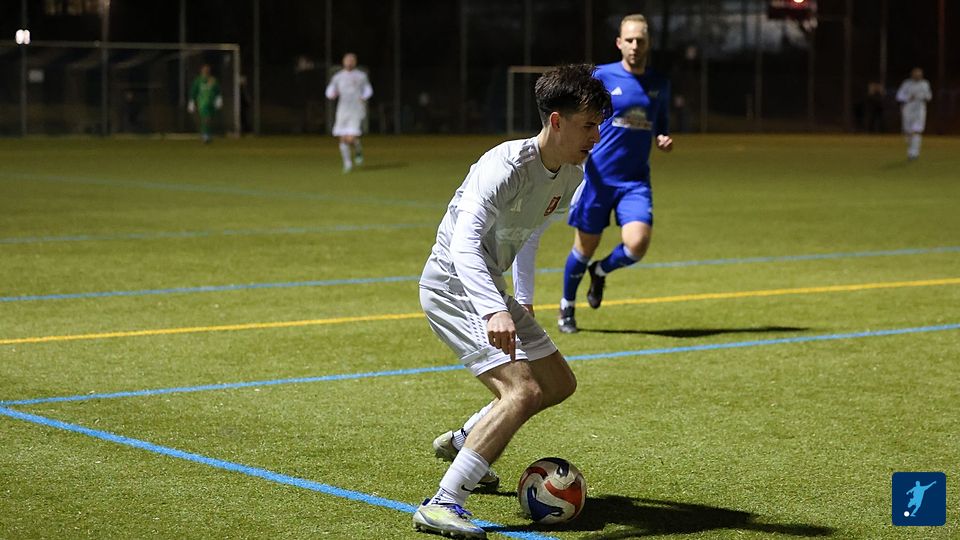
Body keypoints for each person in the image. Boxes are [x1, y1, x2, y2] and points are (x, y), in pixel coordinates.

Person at [412, 64, 611, 539]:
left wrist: (521, 299)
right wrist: (493, 309)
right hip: (452, 284)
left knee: (558, 383)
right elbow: (463, 244)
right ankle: (443, 502)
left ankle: (467, 441)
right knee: (522, 392)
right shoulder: (504, 166)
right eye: (588, 124)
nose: (596, 135)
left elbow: (529, 234)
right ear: (556, 121)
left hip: (491, 287)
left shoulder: (569, 174)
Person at [557, 14, 673, 334]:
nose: (635, 45)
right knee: (584, 248)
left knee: (637, 245)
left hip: (635, 182)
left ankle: (601, 272)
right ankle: (567, 306)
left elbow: (660, 123)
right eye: (629, 40)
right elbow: (578, 113)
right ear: (619, 43)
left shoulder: (659, 83)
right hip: (597, 179)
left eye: (640, 40)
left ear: (648, 44)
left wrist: (663, 137)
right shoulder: (602, 76)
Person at [325, 53, 373, 173]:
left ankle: (357, 148)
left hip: (356, 110)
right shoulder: (338, 76)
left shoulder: (361, 76)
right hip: (342, 110)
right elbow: (330, 89)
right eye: (347, 60)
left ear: (355, 62)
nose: (349, 62)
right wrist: (331, 94)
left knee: (350, 138)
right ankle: (347, 164)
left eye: (352, 60)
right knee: (342, 138)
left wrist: (364, 96)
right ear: (343, 62)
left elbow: (368, 89)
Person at [895, 67, 932, 161]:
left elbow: (929, 96)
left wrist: (923, 97)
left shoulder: (925, 84)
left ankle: (913, 153)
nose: (918, 76)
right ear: (912, 75)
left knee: (916, 131)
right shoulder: (906, 84)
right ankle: (911, 148)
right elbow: (899, 96)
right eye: (916, 74)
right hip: (907, 110)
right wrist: (908, 97)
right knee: (908, 132)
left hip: (919, 111)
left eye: (919, 74)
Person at [187, 64, 222, 144]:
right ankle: (205, 136)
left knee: (209, 120)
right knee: (206, 118)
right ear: (201, 71)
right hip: (202, 103)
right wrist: (191, 102)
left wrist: (219, 100)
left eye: (207, 70)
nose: (206, 71)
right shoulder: (198, 81)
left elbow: (218, 91)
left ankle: (207, 134)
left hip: (211, 103)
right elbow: (193, 91)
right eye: (204, 70)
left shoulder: (213, 80)